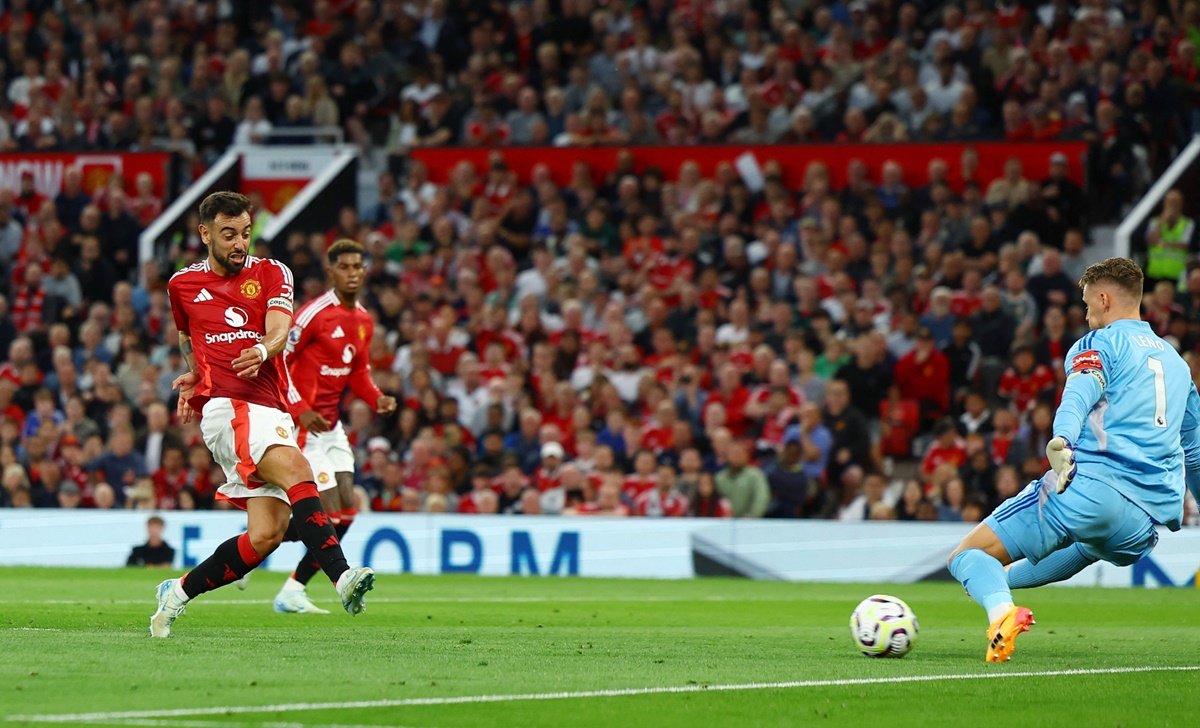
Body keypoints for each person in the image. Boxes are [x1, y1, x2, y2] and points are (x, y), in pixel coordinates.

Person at [947, 258, 1200, 662]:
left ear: (1104, 298)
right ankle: (1005, 585)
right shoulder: (1179, 365)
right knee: (1088, 542)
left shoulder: (1102, 342)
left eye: (1087, 305)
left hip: (1093, 490)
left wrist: (1061, 438)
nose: (1085, 316)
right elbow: (1196, 454)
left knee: (966, 556)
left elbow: (1081, 389)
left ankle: (1000, 614)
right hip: (1142, 530)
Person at [152, 192, 374, 638]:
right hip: (226, 407)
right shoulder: (182, 285)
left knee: (265, 537)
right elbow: (186, 335)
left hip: (268, 406)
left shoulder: (272, 272)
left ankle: (175, 593)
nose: (239, 243)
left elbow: (279, 328)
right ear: (205, 234)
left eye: (246, 234)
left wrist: (261, 348)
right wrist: (195, 375)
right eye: (229, 234)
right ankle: (341, 576)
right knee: (298, 468)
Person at [273, 239, 397, 614]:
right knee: (325, 510)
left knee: (347, 508)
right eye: (344, 266)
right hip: (303, 427)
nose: (353, 272)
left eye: (358, 266)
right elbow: (279, 360)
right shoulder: (313, 314)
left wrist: (376, 397)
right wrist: (299, 408)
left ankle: (291, 586)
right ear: (331, 271)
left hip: (332, 427)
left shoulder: (363, 320)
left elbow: (358, 370)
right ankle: (266, 545)